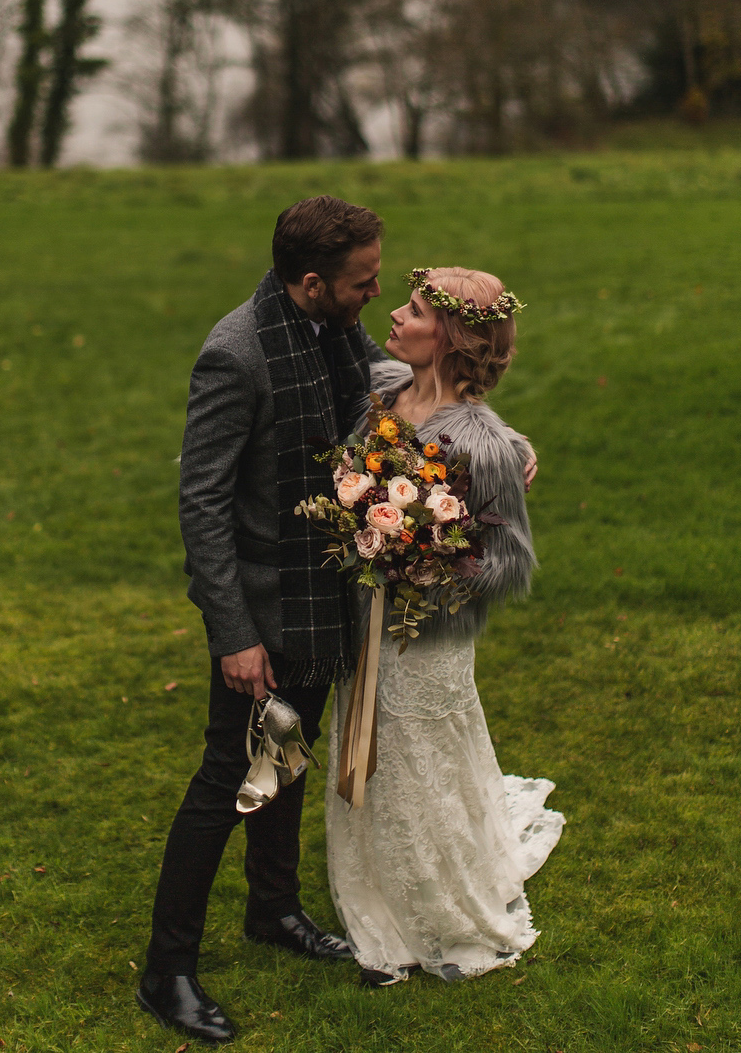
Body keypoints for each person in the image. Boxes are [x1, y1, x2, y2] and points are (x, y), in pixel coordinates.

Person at [137, 195, 386, 1043]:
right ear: (312, 282)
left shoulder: (337, 333)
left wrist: (500, 436)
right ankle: (166, 970)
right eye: (362, 284)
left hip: (322, 603)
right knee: (226, 783)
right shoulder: (235, 355)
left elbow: (405, 395)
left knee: (290, 759)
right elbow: (201, 501)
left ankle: (272, 912)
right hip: (264, 617)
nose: (373, 298)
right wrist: (234, 635)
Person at [326, 266, 563, 986]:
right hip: (365, 617)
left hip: (427, 636)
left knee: (417, 757)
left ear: (452, 336)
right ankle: (376, 893)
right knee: (365, 747)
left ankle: (436, 913)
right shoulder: (383, 387)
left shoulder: (481, 442)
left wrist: (426, 566)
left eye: (415, 309)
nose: (394, 315)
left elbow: (510, 560)